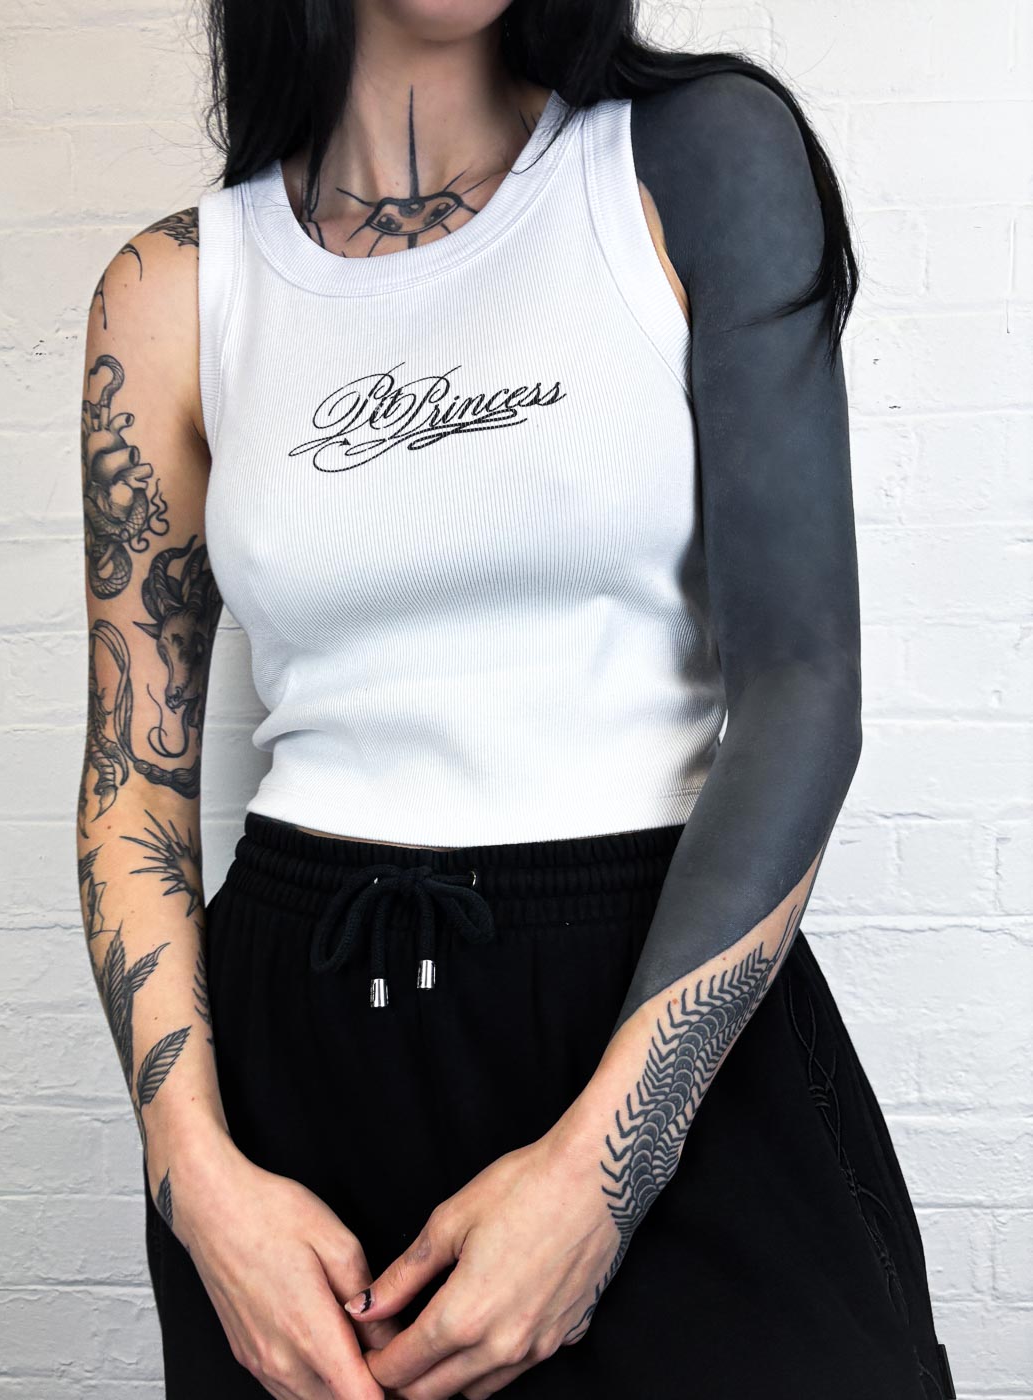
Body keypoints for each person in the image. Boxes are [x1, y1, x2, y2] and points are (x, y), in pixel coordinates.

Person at [75, 2, 956, 1397]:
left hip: (655, 1011)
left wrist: (604, 1176)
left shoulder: (695, 159)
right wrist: (196, 1178)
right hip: (291, 1071)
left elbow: (801, 688)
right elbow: (133, 782)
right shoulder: (174, 286)